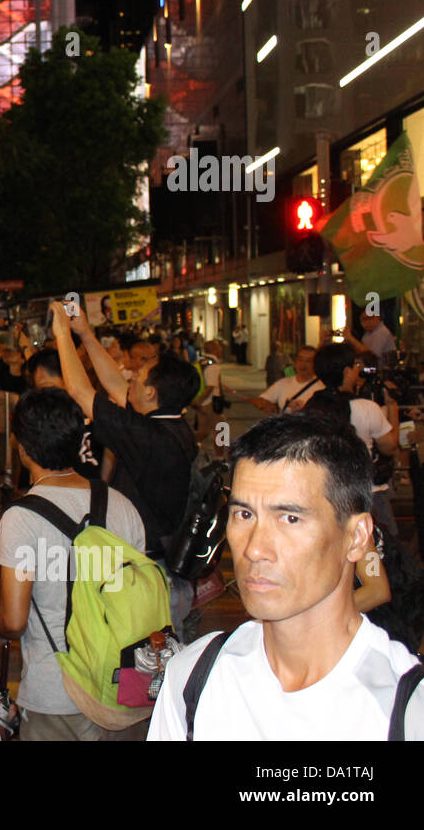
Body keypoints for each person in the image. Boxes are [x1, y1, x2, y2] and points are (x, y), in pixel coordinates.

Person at [149, 413, 424, 739]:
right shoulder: (193, 679)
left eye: (290, 518)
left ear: (356, 537)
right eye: (244, 514)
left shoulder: (406, 708)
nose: (254, 549)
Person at [0, 389, 147, 740]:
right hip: (121, 689)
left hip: (56, 692)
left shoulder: (21, 518)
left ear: (22, 448)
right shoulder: (121, 505)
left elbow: (14, 621)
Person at [49, 301, 200, 629]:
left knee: (145, 675)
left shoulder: (149, 437)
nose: (130, 375)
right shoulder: (170, 427)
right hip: (163, 570)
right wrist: (86, 335)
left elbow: (79, 390)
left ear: (151, 392)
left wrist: (61, 334)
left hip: (149, 577)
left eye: (140, 375)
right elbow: (117, 389)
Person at [303, 342, 398, 537]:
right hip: (367, 493)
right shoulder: (367, 408)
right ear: (347, 372)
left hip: (328, 494)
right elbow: (390, 446)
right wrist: (393, 409)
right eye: (355, 366)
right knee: (383, 550)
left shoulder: (312, 406)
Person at [250, 345, 322, 414]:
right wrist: (265, 405)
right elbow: (261, 400)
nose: (303, 364)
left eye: (308, 361)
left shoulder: (322, 387)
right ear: (295, 362)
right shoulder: (282, 384)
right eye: (300, 359)